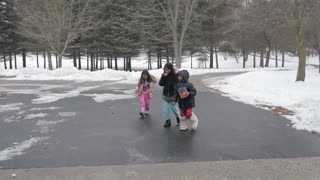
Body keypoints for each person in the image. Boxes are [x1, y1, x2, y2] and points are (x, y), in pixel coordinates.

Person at [159, 63, 180, 128]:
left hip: (172, 96)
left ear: (171, 69)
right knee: (166, 109)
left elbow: (177, 88)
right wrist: (163, 76)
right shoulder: (164, 75)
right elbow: (161, 84)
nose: (166, 71)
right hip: (166, 95)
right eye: (165, 69)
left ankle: (178, 117)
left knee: (173, 108)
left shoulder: (175, 76)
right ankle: (168, 121)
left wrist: (176, 99)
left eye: (168, 69)